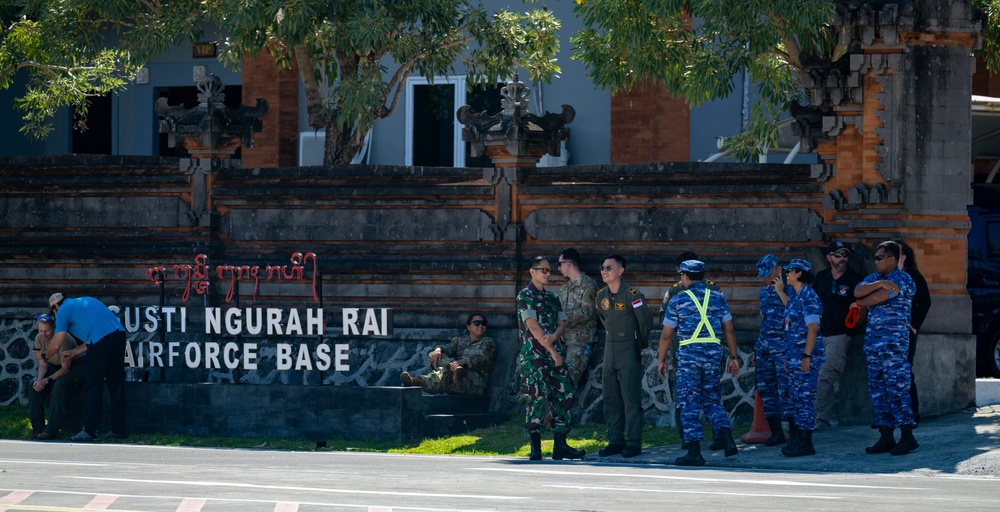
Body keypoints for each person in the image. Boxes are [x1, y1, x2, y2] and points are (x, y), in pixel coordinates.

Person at [657, 260, 740, 466]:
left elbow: (667, 336)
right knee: (712, 399)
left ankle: (694, 451)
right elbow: (729, 330)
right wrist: (734, 356)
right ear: (702, 276)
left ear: (685, 276)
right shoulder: (719, 299)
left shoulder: (677, 301)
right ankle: (727, 438)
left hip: (689, 356)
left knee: (688, 402)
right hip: (713, 353)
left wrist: (661, 360)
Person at [515, 256, 586, 461]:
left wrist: (555, 337)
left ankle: (560, 445)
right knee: (536, 397)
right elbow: (533, 327)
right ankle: (535, 446)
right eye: (542, 270)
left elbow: (562, 323)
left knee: (563, 395)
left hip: (555, 355)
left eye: (549, 270)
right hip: (535, 357)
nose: (547, 274)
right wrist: (553, 350)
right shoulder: (525, 295)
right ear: (532, 271)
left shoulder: (553, 298)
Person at [852, 241, 918, 455]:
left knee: (897, 389)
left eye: (880, 258)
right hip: (873, 346)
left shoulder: (904, 279)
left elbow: (873, 299)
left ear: (892, 259)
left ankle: (907, 436)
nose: (876, 261)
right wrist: (880, 284)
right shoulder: (875, 279)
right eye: (875, 258)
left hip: (894, 347)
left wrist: (865, 299)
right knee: (878, 391)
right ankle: (886, 436)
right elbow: (857, 291)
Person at [48, 293, 128, 442]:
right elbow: (97, 337)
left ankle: (89, 430)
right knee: (116, 385)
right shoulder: (85, 301)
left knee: (93, 385)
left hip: (102, 340)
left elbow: (57, 342)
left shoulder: (62, 310)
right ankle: (118, 429)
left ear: (55, 307)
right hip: (119, 335)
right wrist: (74, 352)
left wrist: (45, 356)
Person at [595, 254, 653, 458]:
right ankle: (615, 440)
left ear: (620, 271)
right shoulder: (601, 295)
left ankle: (634, 441)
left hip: (628, 348)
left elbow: (645, 323)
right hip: (609, 350)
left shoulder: (633, 295)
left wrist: (640, 345)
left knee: (630, 398)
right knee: (610, 397)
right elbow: (602, 319)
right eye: (602, 267)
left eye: (609, 268)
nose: (604, 271)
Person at [813, 240, 865, 429]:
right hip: (818, 334)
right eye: (838, 255)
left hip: (841, 334)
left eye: (845, 255)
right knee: (819, 377)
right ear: (829, 258)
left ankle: (808, 416)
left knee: (825, 375)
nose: (843, 259)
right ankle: (821, 420)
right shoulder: (821, 278)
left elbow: (864, 306)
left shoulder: (856, 280)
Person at [779, 259, 825, 457]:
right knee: (796, 399)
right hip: (794, 356)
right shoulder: (796, 296)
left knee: (804, 399)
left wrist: (806, 356)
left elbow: (812, 329)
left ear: (799, 274)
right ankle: (798, 439)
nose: (786, 274)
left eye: (790, 271)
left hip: (805, 357)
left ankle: (806, 443)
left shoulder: (808, 297)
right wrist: (790, 358)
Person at [400, 313, 496, 395]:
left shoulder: (488, 342)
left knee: (444, 374)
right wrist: (438, 350)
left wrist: (461, 362)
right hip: (454, 376)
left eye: (483, 324)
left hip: (474, 381)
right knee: (434, 355)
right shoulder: (460, 340)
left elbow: (482, 357)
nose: (480, 326)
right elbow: (448, 348)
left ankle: (417, 382)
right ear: (468, 327)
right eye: (477, 323)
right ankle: (452, 369)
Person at [754, 254, 791, 446]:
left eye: (769, 273)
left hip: (784, 348)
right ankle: (775, 431)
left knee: (787, 390)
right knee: (767, 390)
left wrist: (780, 291)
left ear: (779, 269)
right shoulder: (763, 292)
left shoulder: (792, 289)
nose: (766, 278)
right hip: (765, 347)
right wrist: (758, 347)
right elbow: (764, 319)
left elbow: (795, 313)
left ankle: (795, 432)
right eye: (763, 275)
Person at [28, 314, 85, 440]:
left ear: (53, 328)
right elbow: (43, 365)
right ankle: (38, 429)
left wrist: (47, 380)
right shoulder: (39, 339)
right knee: (33, 385)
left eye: (47, 331)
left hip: (73, 367)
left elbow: (66, 368)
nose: (44, 334)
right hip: (54, 366)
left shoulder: (61, 338)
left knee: (60, 384)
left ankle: (51, 430)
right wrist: (39, 380)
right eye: (41, 331)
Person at [898, 241, 931, 426]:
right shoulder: (885, 277)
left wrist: (914, 325)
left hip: (905, 332)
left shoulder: (912, 275)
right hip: (888, 334)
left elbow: (925, 301)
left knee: (905, 371)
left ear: (904, 256)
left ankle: (912, 414)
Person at [556, 248, 598, 389]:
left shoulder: (589, 285)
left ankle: (561, 410)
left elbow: (587, 312)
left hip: (580, 340)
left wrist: (561, 319)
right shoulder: (564, 289)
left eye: (560, 264)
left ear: (568, 264)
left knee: (567, 382)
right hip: (563, 340)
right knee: (553, 380)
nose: (558, 268)